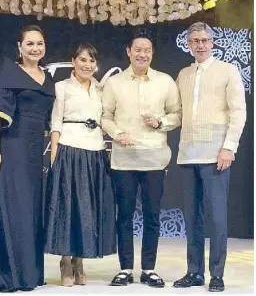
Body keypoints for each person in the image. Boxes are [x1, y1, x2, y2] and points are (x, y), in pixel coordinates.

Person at [0, 25, 55, 292]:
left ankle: (29, 274)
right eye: (29, 44)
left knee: (31, 211)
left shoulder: (47, 77)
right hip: (13, 149)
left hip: (33, 154)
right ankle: (11, 274)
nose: (35, 48)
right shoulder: (10, 73)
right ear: (19, 47)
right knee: (15, 210)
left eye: (39, 43)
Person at [101, 28, 181, 288]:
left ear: (152, 53)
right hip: (123, 159)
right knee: (123, 215)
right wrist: (117, 133)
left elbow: (177, 115)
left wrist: (159, 122)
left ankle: (149, 268)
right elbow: (105, 116)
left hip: (155, 159)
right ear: (128, 52)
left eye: (147, 50)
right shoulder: (114, 83)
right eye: (137, 49)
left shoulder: (165, 81)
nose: (142, 54)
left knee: (152, 215)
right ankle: (125, 269)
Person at [173, 22, 246, 292]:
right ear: (189, 45)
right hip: (187, 155)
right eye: (195, 41)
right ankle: (194, 272)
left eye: (204, 40)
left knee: (216, 218)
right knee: (192, 219)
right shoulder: (183, 74)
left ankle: (217, 274)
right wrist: (159, 122)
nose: (200, 45)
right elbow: (179, 114)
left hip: (216, 154)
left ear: (212, 43)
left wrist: (229, 147)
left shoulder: (227, 71)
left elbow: (238, 111)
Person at [44, 44, 116, 287]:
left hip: (95, 151)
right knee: (68, 206)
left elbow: (107, 119)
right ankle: (65, 261)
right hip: (68, 149)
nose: (87, 65)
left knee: (88, 208)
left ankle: (80, 260)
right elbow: (56, 123)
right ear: (73, 61)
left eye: (91, 61)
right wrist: (55, 156)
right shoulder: (61, 87)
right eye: (83, 60)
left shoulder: (100, 88)